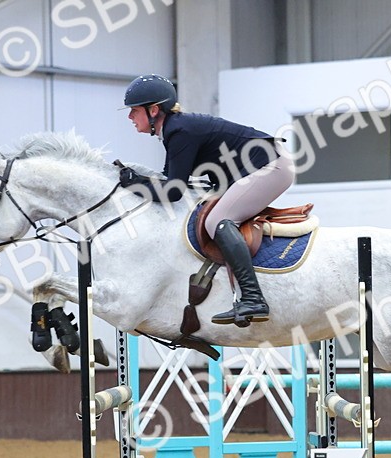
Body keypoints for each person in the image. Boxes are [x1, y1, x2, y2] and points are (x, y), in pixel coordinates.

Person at [119, 74, 294, 326]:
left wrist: (135, 183)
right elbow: (173, 183)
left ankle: (253, 298)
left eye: (134, 111)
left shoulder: (179, 131)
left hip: (270, 166)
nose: (129, 117)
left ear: (154, 110)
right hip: (262, 166)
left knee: (218, 221)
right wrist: (139, 180)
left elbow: (173, 192)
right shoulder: (173, 130)